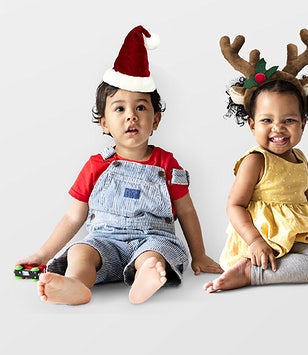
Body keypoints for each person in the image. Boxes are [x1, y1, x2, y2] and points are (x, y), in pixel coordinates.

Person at [15, 26, 223, 305]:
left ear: (156, 120)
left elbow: (186, 210)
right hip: (105, 241)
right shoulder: (96, 165)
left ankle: (146, 274)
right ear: (104, 122)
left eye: (140, 108)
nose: (131, 117)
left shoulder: (167, 163)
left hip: (152, 238)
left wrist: (199, 255)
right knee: (81, 251)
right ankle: (76, 284)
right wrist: (42, 255)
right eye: (119, 109)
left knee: (153, 254)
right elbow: (73, 217)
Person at [204, 28, 308, 293]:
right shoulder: (255, 161)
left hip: (291, 235)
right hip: (262, 239)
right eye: (266, 120)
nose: (278, 128)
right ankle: (250, 273)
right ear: (252, 125)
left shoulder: (300, 158)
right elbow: (235, 205)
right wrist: (254, 242)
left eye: (289, 120)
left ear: (303, 125)